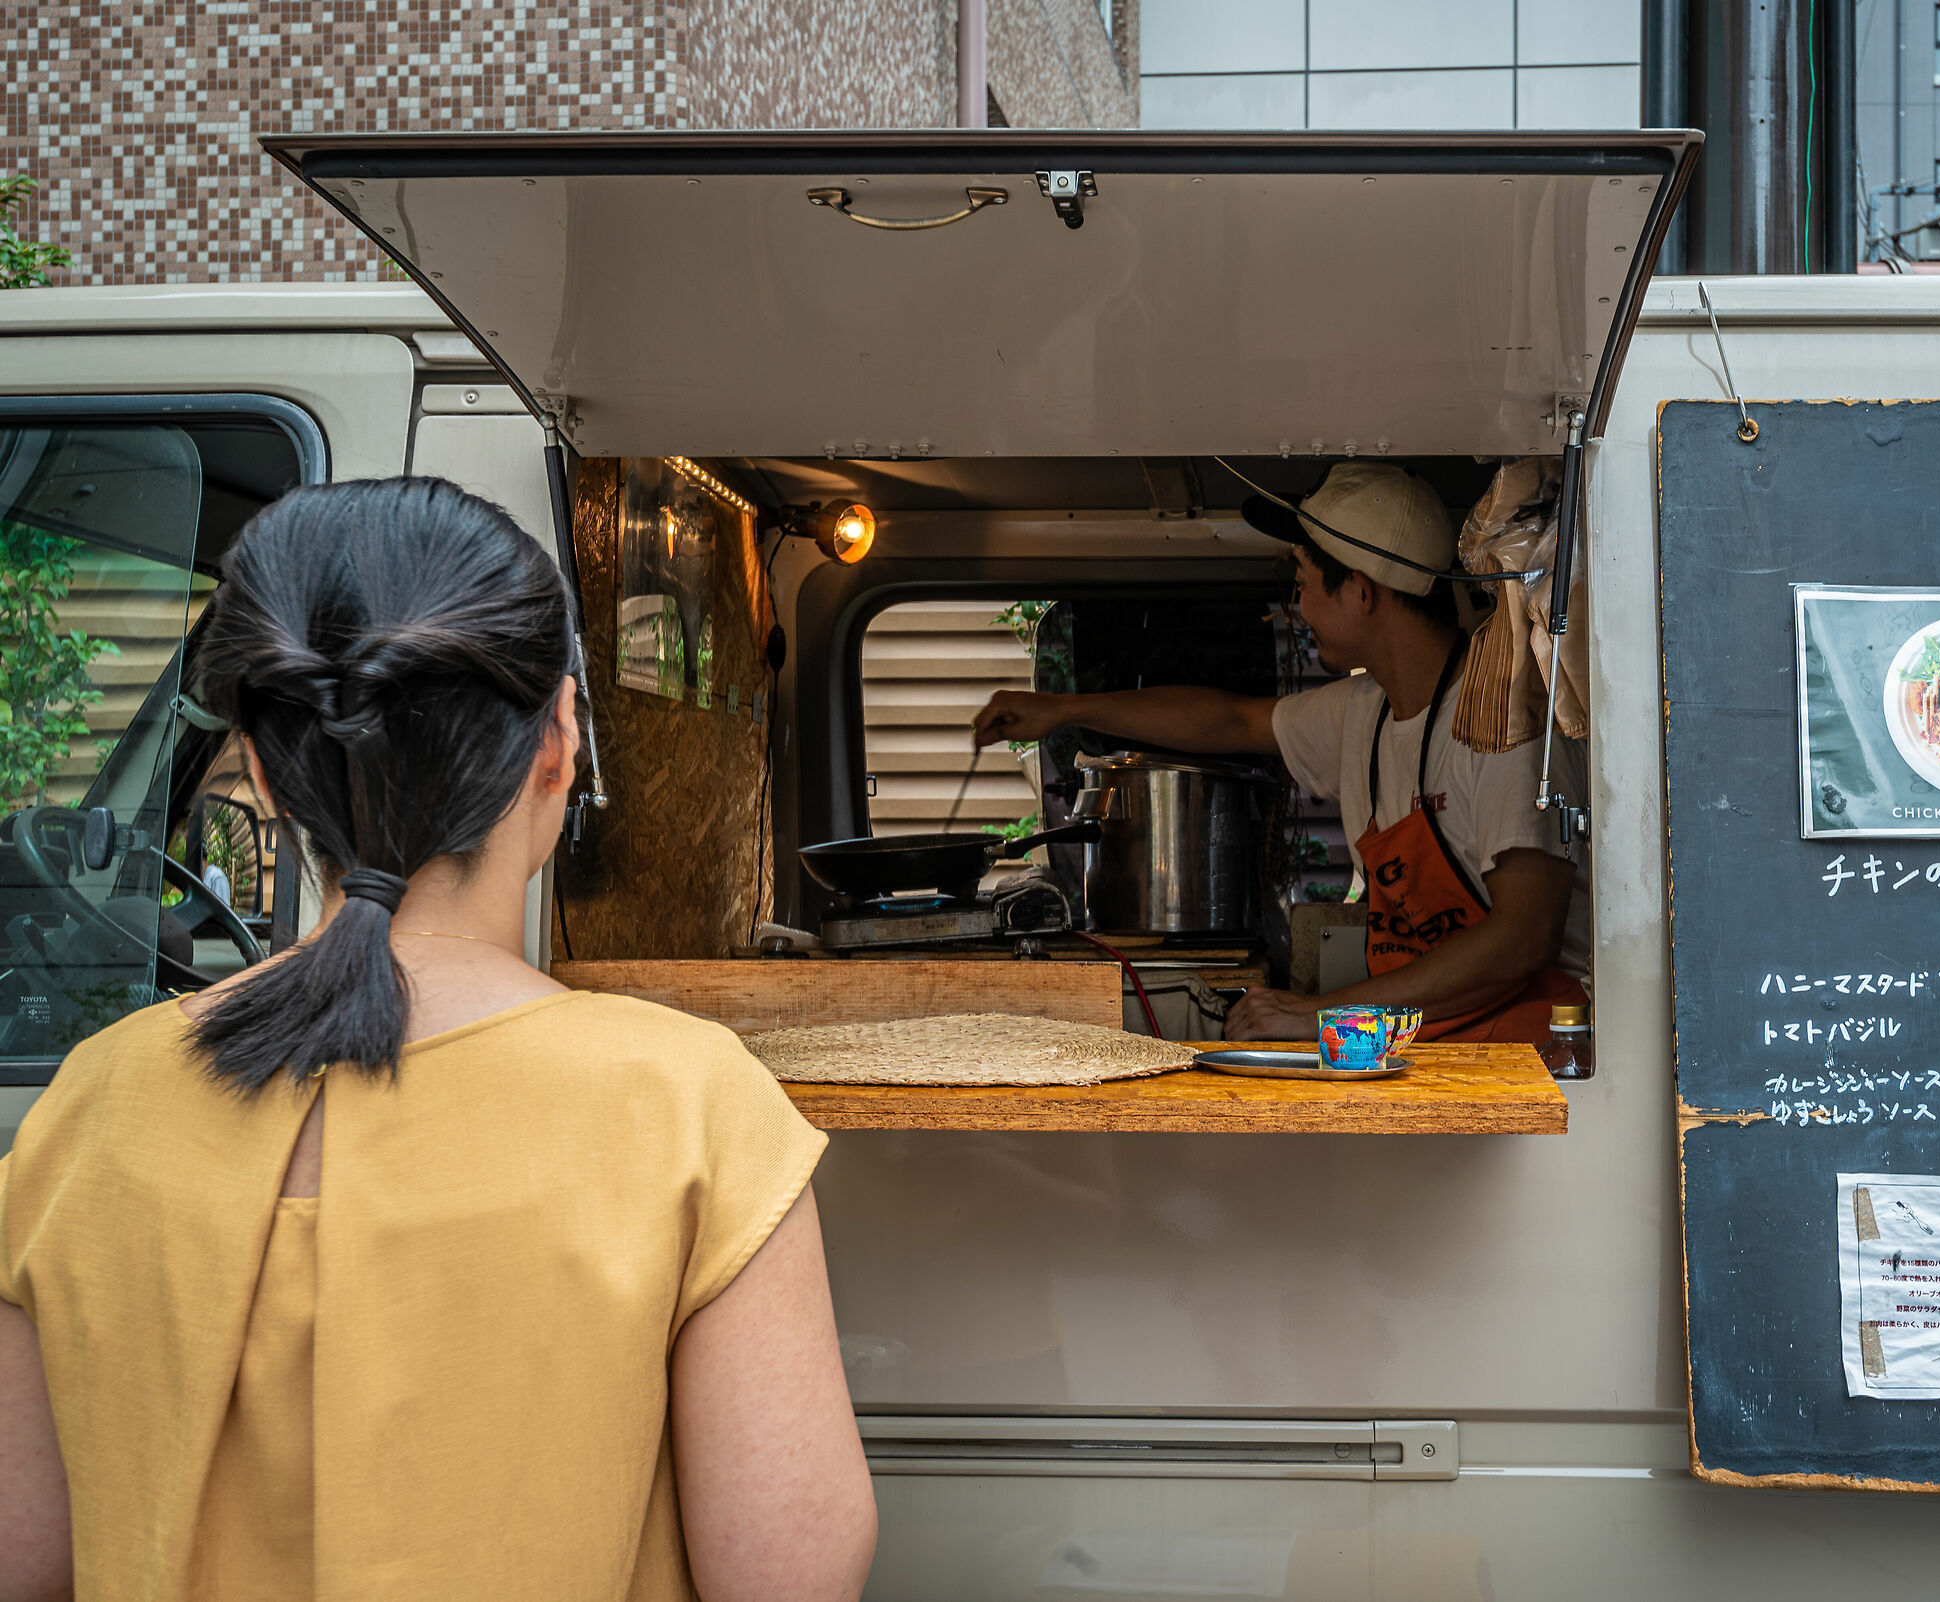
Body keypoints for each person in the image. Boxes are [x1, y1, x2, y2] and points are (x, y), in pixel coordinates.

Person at [0, 479, 876, 1602]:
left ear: (263, 773)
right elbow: (795, 1573)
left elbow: (25, 1555)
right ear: (558, 744)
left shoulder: (93, 1103)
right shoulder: (690, 1107)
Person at [973, 463, 1589, 1044]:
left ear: (1361, 591)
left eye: (1303, 585)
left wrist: (1322, 1015)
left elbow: (1522, 938)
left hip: (1532, 1057)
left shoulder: (1503, 720)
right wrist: (1063, 710)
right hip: (1430, 1042)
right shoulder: (1364, 710)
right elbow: (1231, 719)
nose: (1298, 609)